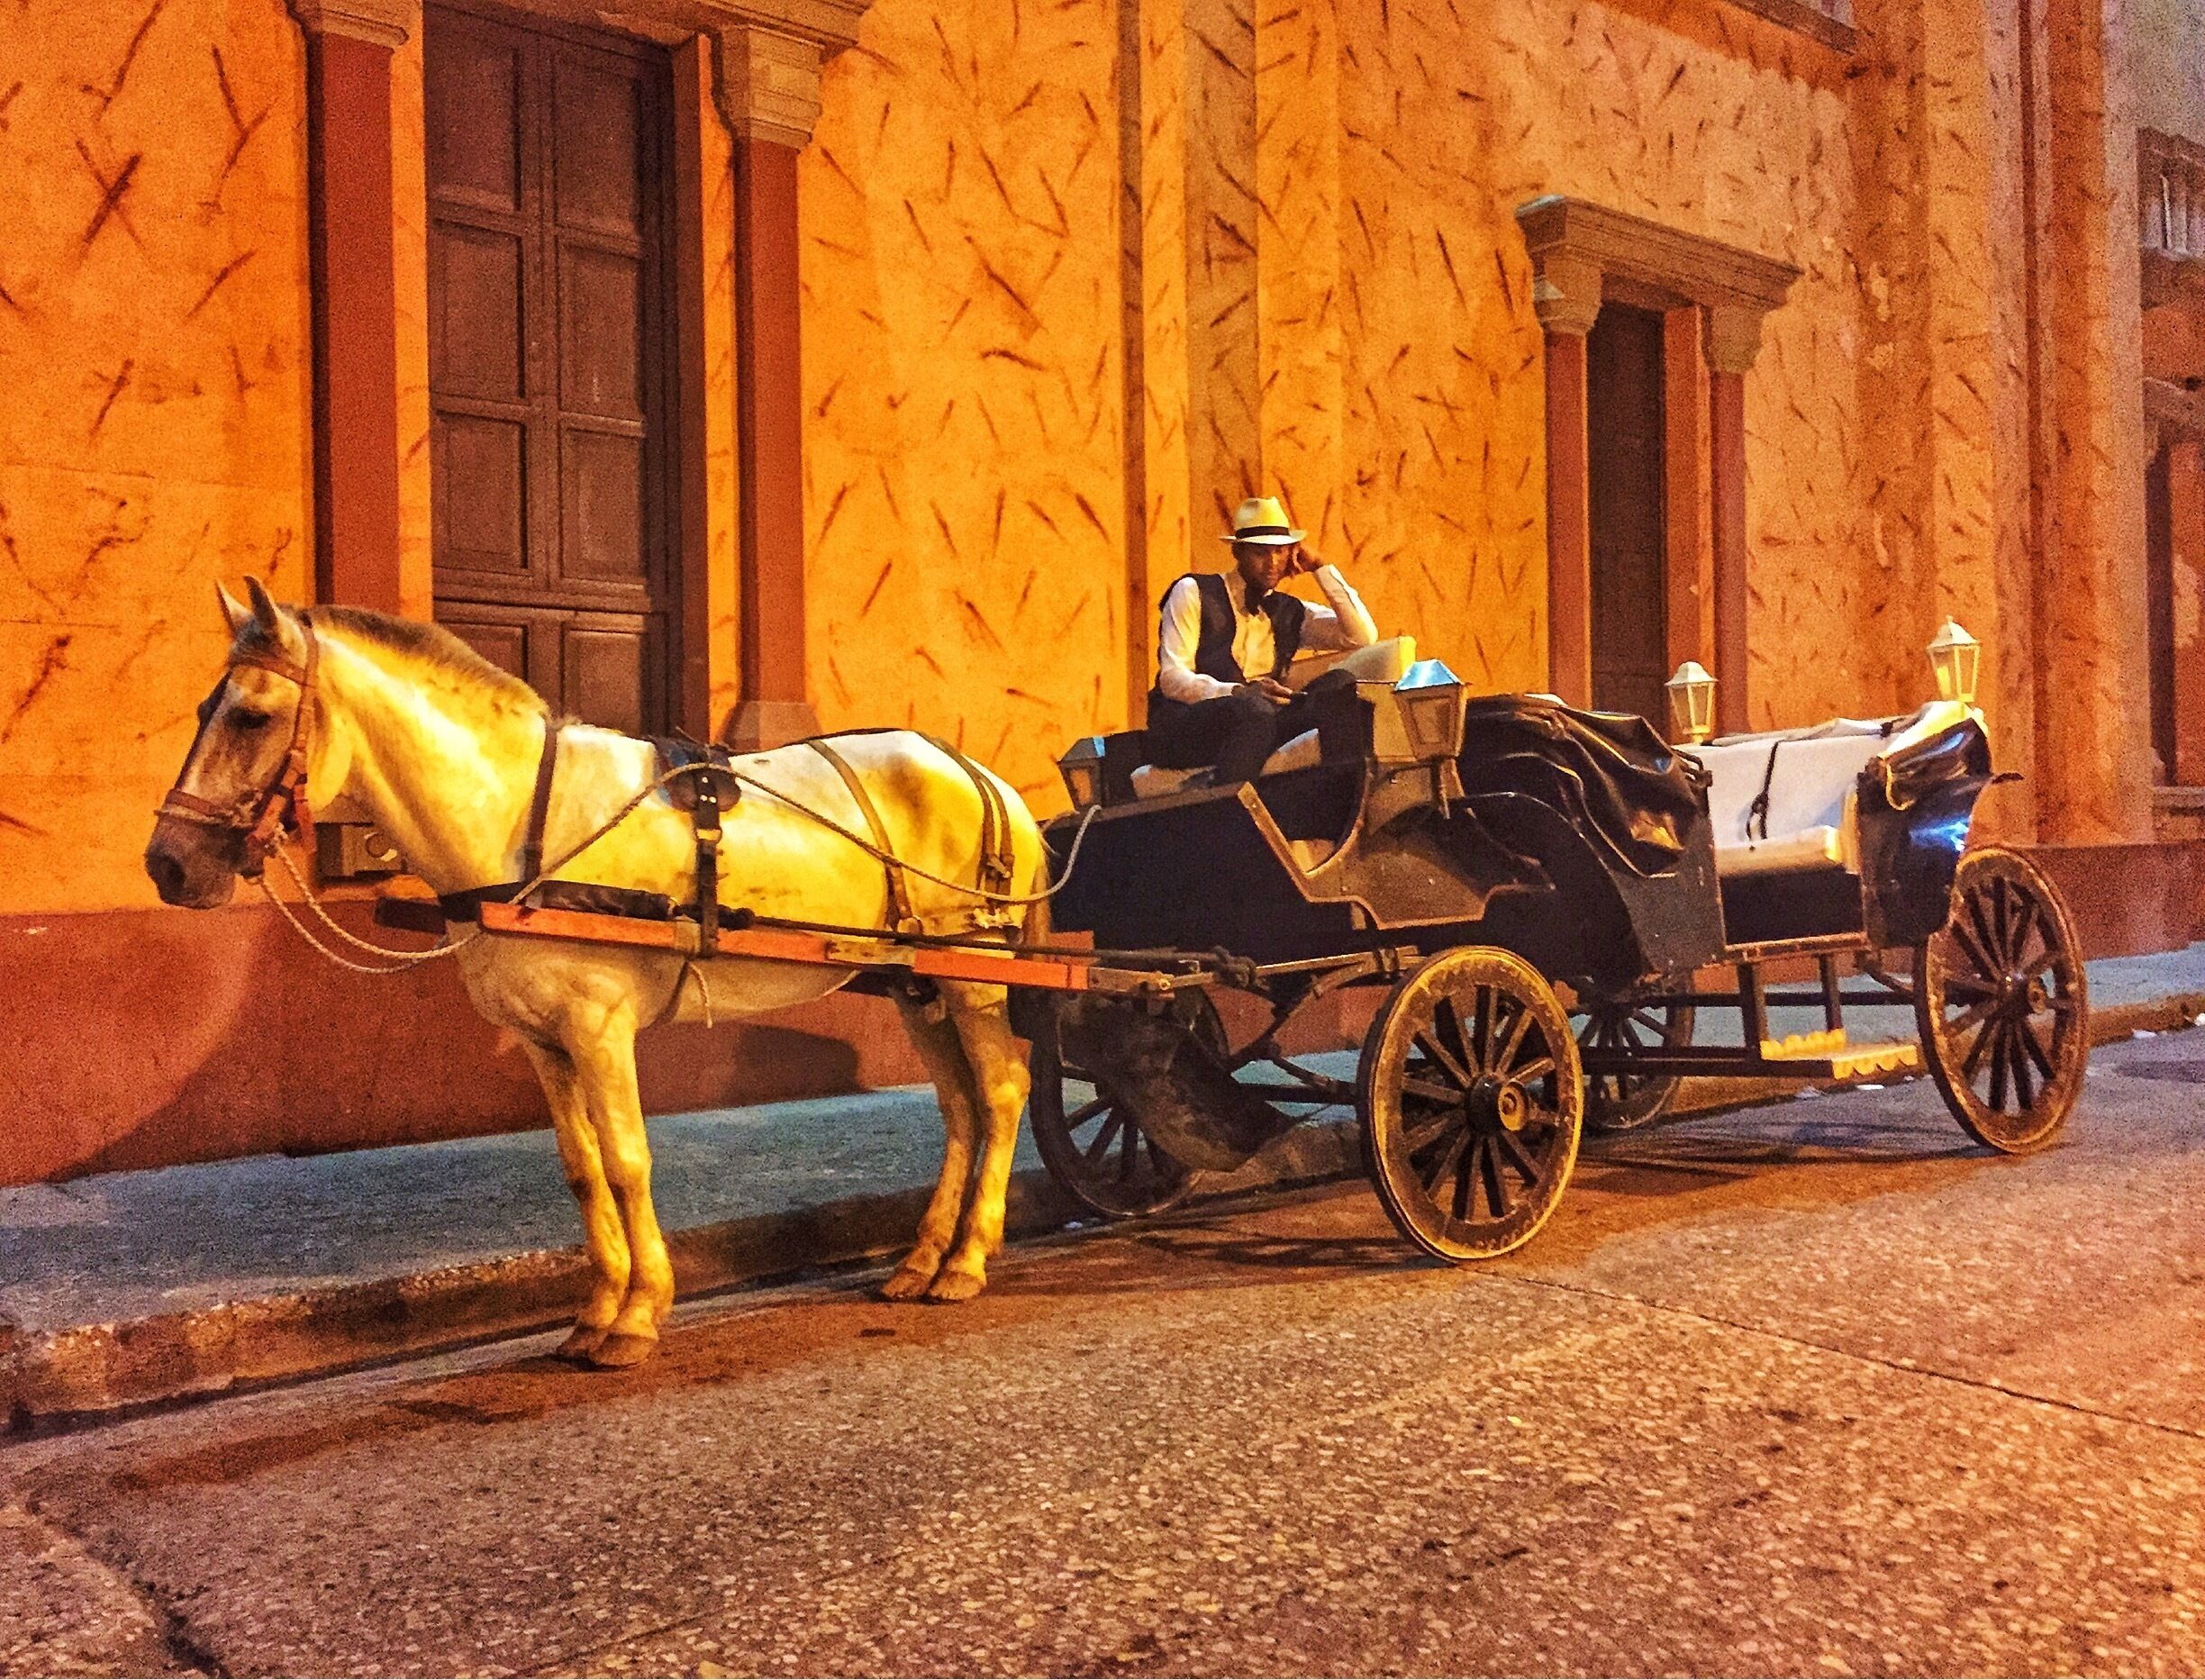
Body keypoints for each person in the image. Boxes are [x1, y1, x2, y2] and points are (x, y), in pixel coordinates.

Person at [1145, 495, 1379, 785]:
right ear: (1237, 552)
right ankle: (1227, 809)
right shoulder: (1193, 591)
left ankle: (1337, 798)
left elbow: (1361, 636)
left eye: (1280, 552)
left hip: (1261, 722)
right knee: (1253, 712)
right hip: (1188, 725)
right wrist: (1237, 693)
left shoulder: (1290, 611)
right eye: (1260, 553)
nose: (1272, 563)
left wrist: (1320, 567)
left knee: (1340, 685)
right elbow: (1172, 678)